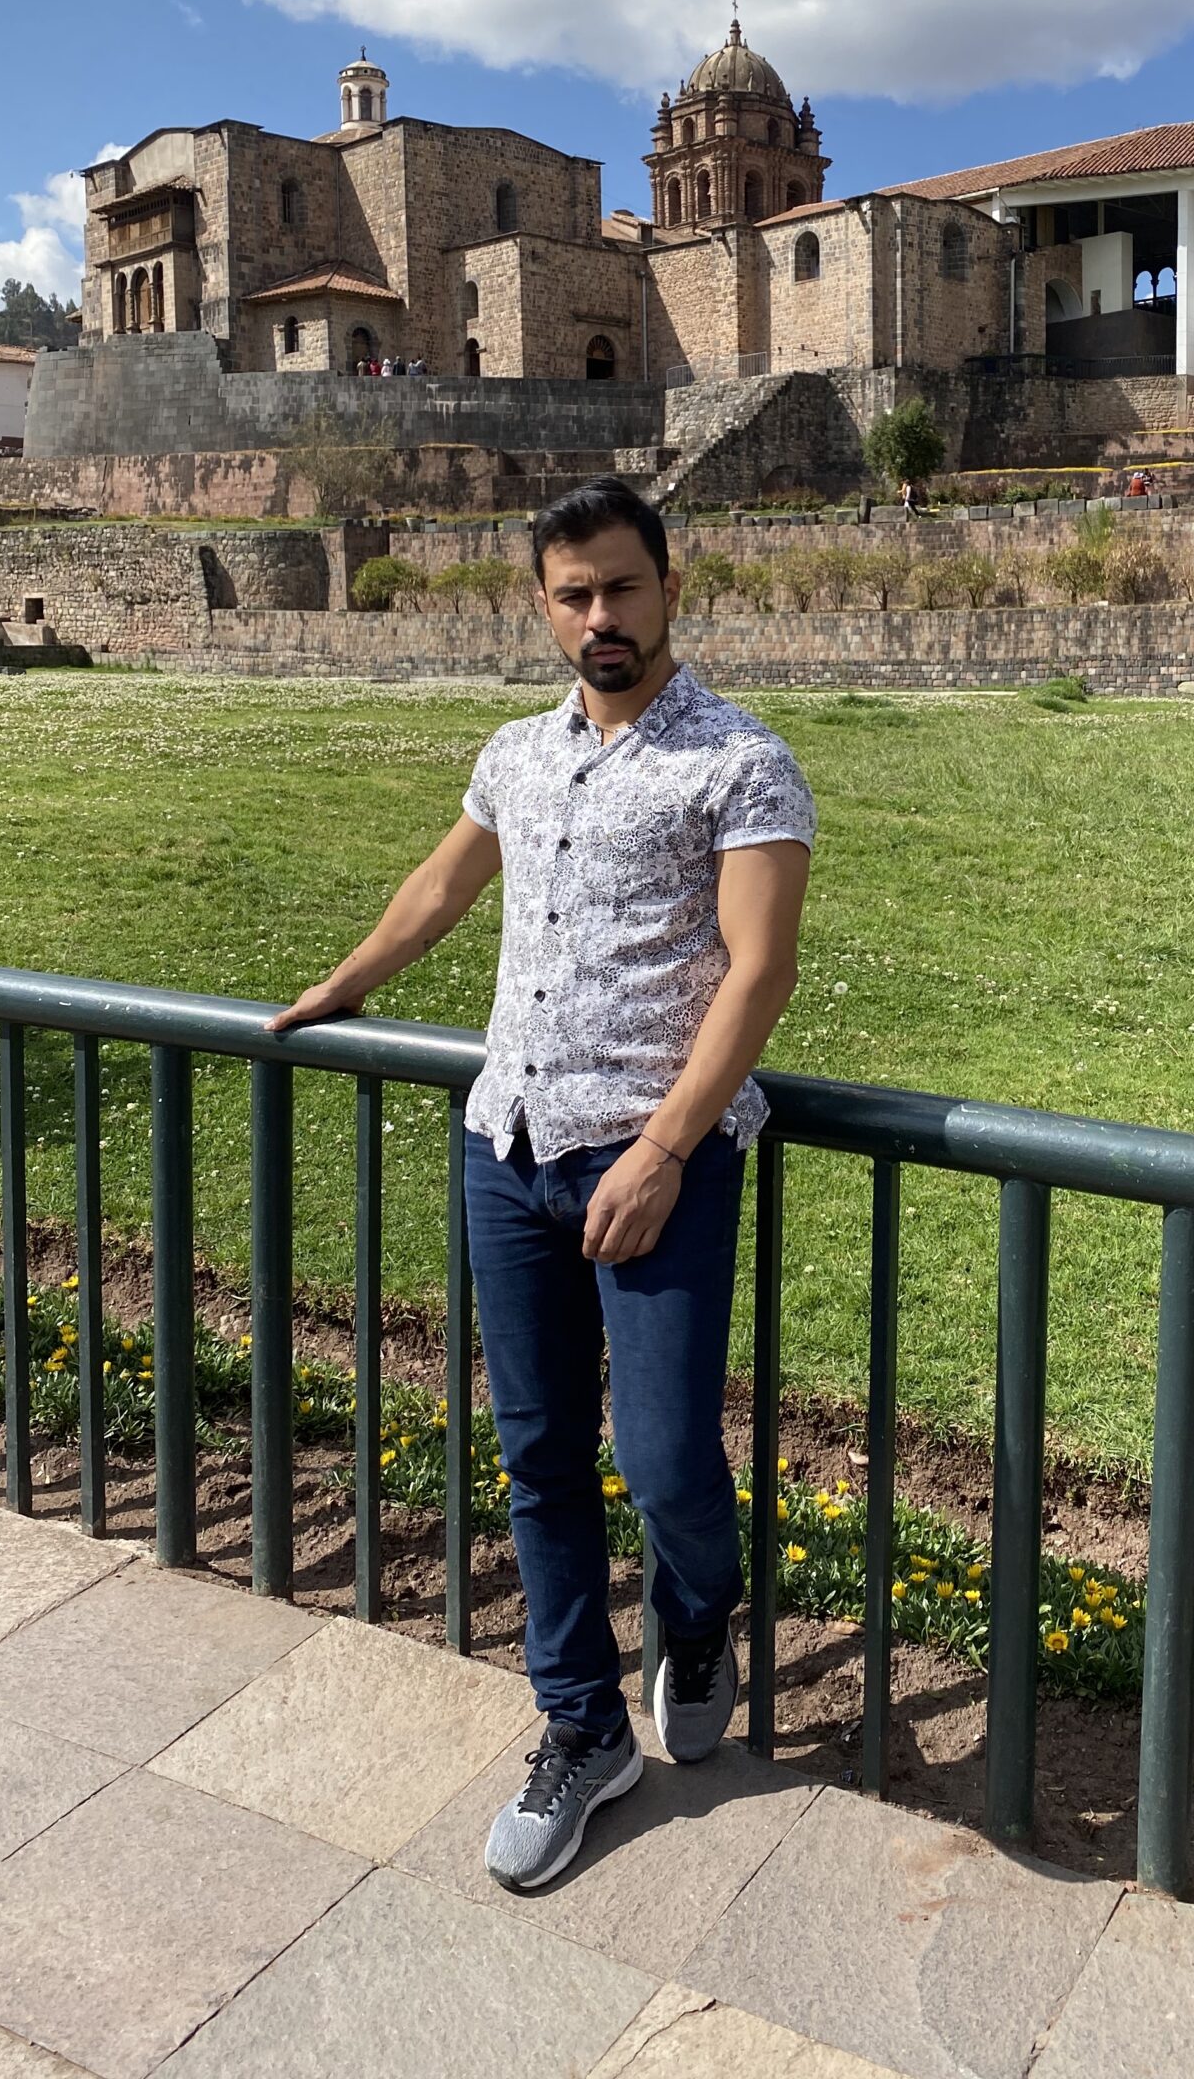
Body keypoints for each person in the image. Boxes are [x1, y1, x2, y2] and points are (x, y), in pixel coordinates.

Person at [268, 476, 813, 1892]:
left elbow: (761, 972)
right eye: (573, 595)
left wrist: (663, 1148)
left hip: (659, 1164)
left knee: (668, 1459)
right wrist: (338, 986)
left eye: (622, 589)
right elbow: (442, 888)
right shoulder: (517, 752)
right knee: (539, 1455)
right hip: (507, 1146)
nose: (598, 619)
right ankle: (581, 1728)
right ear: (544, 604)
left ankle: (699, 1610)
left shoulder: (740, 762)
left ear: (671, 589)